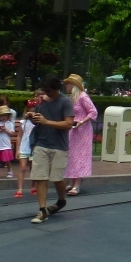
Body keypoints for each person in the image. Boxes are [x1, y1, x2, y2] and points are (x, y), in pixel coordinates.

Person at [25, 74, 75, 223]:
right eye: (44, 90)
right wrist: (33, 117)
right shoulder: (41, 101)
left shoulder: (65, 102)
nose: (46, 93)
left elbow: (68, 124)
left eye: (49, 91)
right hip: (41, 143)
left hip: (59, 145)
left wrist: (46, 121)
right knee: (40, 177)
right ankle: (42, 210)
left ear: (57, 89)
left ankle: (61, 200)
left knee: (57, 178)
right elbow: (39, 121)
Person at [63, 74, 98, 196]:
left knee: (79, 156)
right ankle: (73, 182)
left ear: (73, 85)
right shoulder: (72, 98)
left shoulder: (83, 97)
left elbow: (93, 111)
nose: (66, 86)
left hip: (82, 130)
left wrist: (82, 121)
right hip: (73, 130)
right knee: (72, 156)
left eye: (67, 84)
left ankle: (77, 185)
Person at [15, 91, 43, 199]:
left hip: (33, 147)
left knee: (33, 168)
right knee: (22, 167)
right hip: (24, 147)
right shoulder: (23, 123)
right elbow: (19, 136)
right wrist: (17, 149)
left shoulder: (37, 123)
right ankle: (19, 189)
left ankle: (33, 186)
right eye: (29, 112)